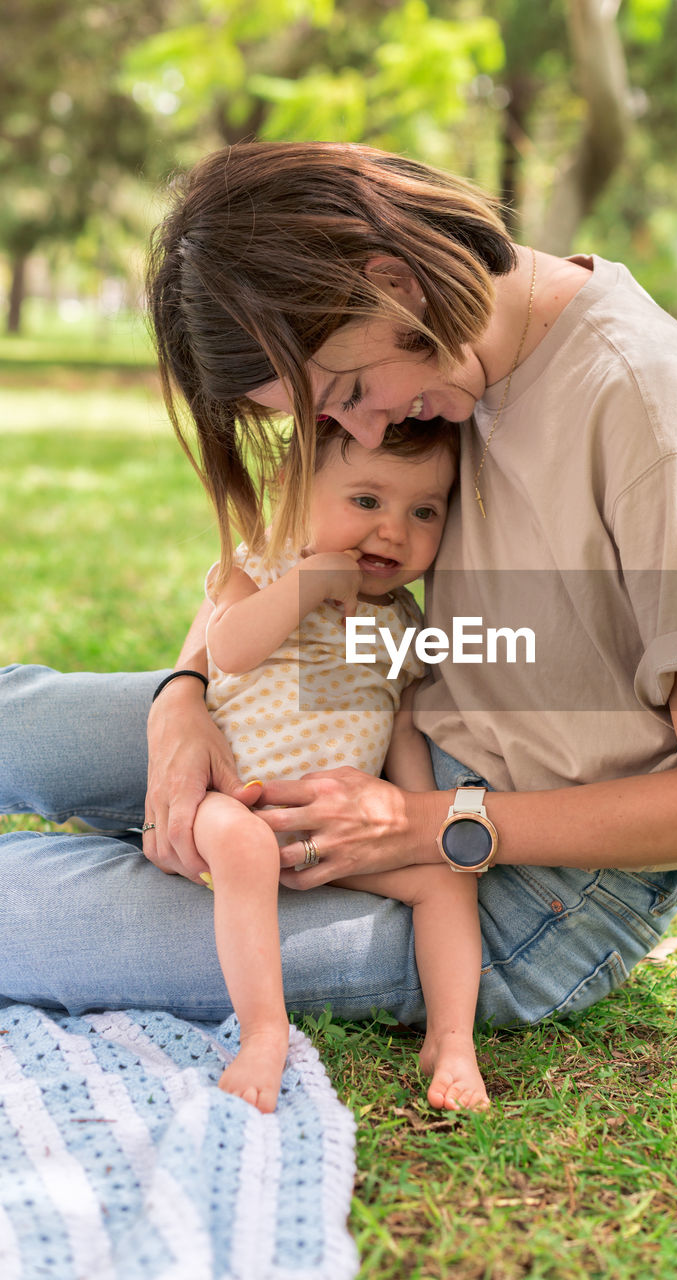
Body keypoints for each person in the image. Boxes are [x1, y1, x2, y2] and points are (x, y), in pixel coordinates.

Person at [0, 141, 677, 1054]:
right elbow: (284, 558)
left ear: (394, 281)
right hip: (367, 723)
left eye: (346, 394)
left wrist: (421, 822)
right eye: (329, 421)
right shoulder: (439, 361)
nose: (369, 429)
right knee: (15, 719)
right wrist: (180, 693)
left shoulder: (659, 422)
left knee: (17, 909)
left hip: (526, 893)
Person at [194, 415, 489, 1112]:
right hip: (243, 806)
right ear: (293, 492)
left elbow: (401, 733)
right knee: (238, 843)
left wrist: (424, 822)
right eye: (366, 502)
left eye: (424, 511)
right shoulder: (256, 570)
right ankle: (264, 1031)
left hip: (332, 836)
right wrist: (309, 581)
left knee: (447, 883)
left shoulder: (402, 626)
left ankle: (453, 1041)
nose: (394, 531)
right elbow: (229, 650)